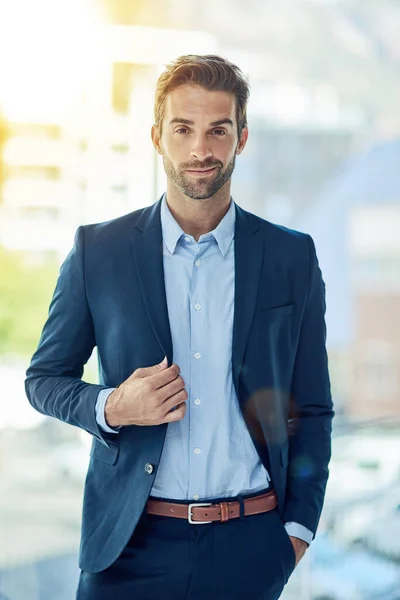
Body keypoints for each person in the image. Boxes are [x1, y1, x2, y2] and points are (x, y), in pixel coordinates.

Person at [25, 54, 334, 600]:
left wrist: (296, 533)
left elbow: (311, 406)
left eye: (218, 130)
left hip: (252, 546)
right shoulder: (99, 251)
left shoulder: (292, 257)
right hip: (127, 548)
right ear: (156, 136)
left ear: (241, 138)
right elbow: (44, 379)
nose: (200, 150)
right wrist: (111, 407)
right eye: (183, 129)